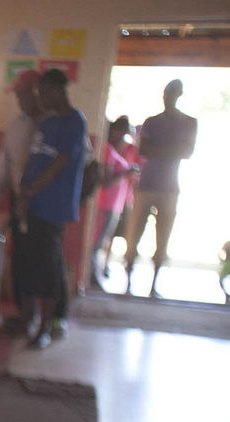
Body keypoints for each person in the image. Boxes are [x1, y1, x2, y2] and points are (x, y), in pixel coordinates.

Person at [15, 69, 87, 348]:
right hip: (33, 204)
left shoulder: (74, 121)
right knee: (31, 265)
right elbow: (33, 161)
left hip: (53, 206)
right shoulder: (46, 124)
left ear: (58, 90)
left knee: (48, 268)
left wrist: (31, 191)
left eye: (44, 92)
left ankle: (45, 327)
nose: (40, 97)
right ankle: (28, 321)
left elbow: (61, 162)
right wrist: (22, 193)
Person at [0, 69, 43, 332]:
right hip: (20, 199)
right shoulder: (17, 126)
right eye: (17, 94)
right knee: (21, 258)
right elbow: (4, 169)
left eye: (22, 93)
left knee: (44, 260)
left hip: (46, 202)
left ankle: (50, 318)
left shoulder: (55, 124)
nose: (19, 99)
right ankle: (25, 315)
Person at [124, 79, 198, 297]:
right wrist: (172, 149)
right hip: (146, 185)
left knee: (162, 238)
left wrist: (161, 149)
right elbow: (145, 150)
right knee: (133, 235)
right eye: (166, 93)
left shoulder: (189, 123)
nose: (168, 97)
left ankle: (153, 285)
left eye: (172, 93)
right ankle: (128, 282)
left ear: (179, 95)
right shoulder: (151, 122)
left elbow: (187, 152)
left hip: (169, 187)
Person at [90, 117, 139, 288]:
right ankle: (92, 277)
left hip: (114, 205)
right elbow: (105, 180)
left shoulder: (116, 151)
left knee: (102, 243)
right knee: (96, 244)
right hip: (106, 204)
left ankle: (95, 276)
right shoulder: (108, 150)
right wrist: (126, 173)